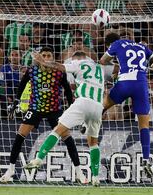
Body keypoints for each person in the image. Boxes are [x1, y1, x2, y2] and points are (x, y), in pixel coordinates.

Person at [24, 50, 113, 186]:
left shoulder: (78, 64)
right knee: (93, 143)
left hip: (83, 101)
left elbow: (57, 66)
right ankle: (95, 177)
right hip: (98, 107)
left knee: (58, 130)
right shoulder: (100, 66)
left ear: (76, 59)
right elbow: (116, 68)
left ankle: (39, 159)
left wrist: (42, 61)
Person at [1, 48, 87, 183]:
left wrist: (72, 106)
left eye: (49, 56)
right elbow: (22, 85)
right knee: (19, 137)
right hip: (35, 108)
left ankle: (79, 172)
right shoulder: (31, 70)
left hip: (54, 110)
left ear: (53, 58)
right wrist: (16, 102)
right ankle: (10, 170)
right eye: (44, 55)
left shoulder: (59, 72)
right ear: (38, 58)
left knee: (68, 139)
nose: (46, 58)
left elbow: (67, 90)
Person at [99, 33, 153, 178]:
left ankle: (87, 123)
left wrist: (116, 63)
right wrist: (150, 68)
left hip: (125, 82)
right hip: (141, 85)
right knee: (144, 126)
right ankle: (146, 159)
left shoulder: (116, 44)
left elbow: (102, 60)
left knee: (103, 106)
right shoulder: (142, 46)